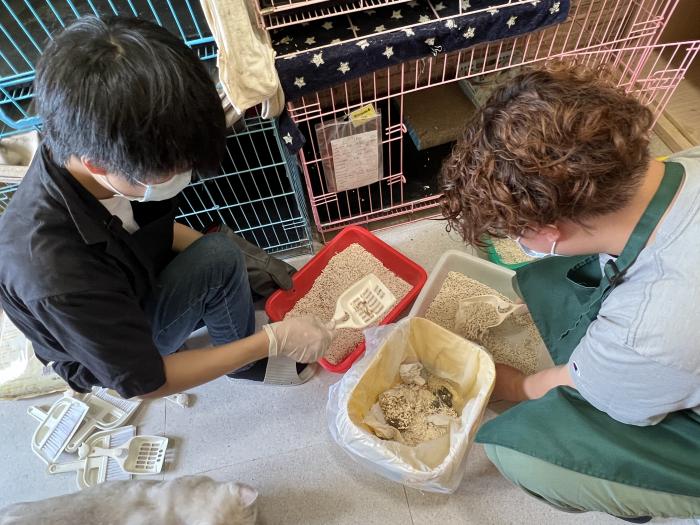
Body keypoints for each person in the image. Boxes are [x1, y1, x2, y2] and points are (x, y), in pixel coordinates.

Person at [0, 16, 334, 399]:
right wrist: (271, 341)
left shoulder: (91, 142)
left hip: (128, 281)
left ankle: (223, 310)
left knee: (222, 255)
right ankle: (245, 364)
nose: (183, 177)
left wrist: (245, 261)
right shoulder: (56, 276)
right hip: (109, 344)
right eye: (171, 172)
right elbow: (146, 385)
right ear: (99, 165)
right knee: (218, 271)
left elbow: (140, 229)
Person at [440, 63, 700, 520]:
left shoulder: (649, 331)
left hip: (674, 353)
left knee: (524, 451)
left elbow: (587, 382)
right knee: (547, 279)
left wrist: (514, 384)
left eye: (517, 233)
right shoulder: (684, 163)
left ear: (548, 229)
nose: (517, 243)